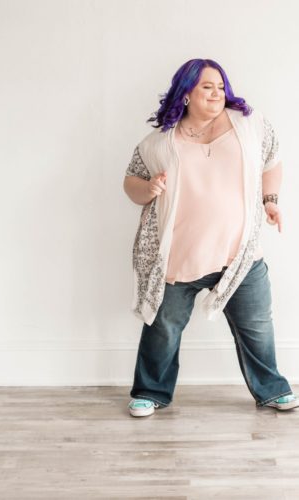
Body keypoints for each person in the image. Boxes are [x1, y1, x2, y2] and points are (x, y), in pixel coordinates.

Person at [123, 58, 299, 418]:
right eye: (207, 87)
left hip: (240, 256)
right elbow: (131, 182)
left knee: (257, 328)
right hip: (180, 257)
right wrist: (149, 187)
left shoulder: (249, 125)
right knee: (163, 329)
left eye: (221, 87)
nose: (217, 93)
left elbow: (273, 161)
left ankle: (273, 390)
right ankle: (150, 392)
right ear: (186, 93)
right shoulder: (159, 142)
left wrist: (270, 200)